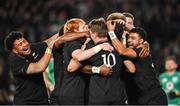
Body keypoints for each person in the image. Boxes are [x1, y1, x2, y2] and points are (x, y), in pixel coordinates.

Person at [107, 21, 167, 104]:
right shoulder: (135, 50)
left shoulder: (141, 50)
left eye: (133, 38)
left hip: (154, 96)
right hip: (141, 96)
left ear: (141, 41)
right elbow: (131, 68)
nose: (130, 40)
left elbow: (122, 51)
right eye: (129, 38)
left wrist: (110, 32)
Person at [58, 18, 113, 105]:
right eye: (83, 27)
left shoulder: (85, 44)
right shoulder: (73, 44)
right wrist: (100, 47)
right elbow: (74, 63)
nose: (87, 29)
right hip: (72, 93)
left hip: (80, 92)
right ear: (76, 31)